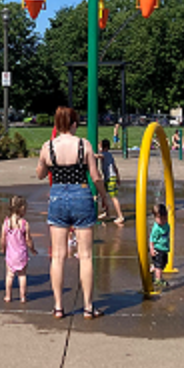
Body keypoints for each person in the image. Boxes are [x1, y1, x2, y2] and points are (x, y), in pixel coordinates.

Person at [36, 106, 109, 320]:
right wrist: (103, 196)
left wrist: (46, 164)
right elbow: (95, 176)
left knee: (58, 256)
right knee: (85, 256)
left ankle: (58, 306)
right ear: (74, 124)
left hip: (58, 196)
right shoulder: (83, 145)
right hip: (81, 194)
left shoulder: (48, 146)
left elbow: (40, 173)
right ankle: (88, 306)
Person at [0, 195, 36, 303]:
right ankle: (23, 297)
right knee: (22, 276)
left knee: (9, 275)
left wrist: (3, 248)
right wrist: (32, 249)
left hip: (10, 254)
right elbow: (28, 239)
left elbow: (3, 238)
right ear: (21, 209)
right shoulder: (24, 224)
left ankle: (8, 296)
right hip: (21, 254)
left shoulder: (6, 223)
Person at [98, 139, 125, 224]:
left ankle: (120, 216)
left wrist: (90, 154)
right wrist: (118, 178)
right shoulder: (110, 155)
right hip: (109, 178)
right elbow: (115, 168)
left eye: (99, 146)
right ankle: (107, 212)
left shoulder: (106, 154)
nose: (98, 147)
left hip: (110, 178)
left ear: (103, 147)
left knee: (113, 197)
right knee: (103, 195)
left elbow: (99, 156)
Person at [149, 203, 171, 288]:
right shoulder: (156, 228)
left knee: (164, 263)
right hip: (157, 248)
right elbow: (151, 239)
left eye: (164, 218)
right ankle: (158, 280)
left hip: (164, 248)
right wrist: (151, 249)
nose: (162, 220)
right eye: (160, 218)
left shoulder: (166, 225)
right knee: (159, 265)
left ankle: (153, 267)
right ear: (155, 218)